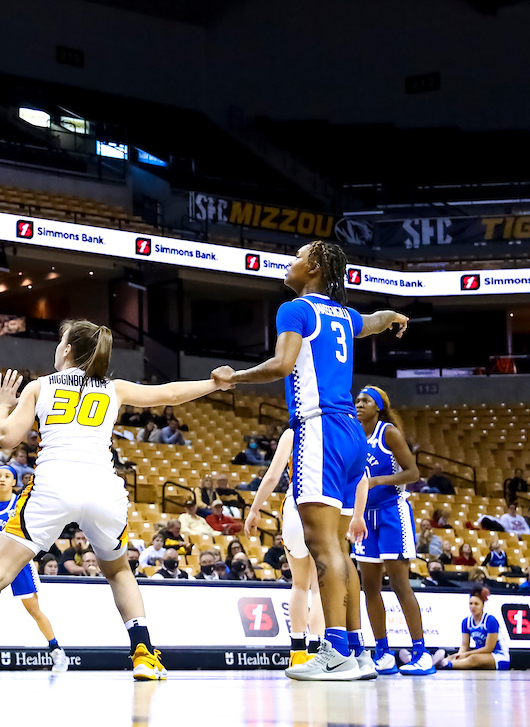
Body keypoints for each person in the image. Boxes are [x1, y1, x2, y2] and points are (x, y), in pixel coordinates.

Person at [0, 319, 233, 684]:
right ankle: (144, 654)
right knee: (119, 571)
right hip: (103, 488)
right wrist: (214, 382)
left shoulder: (40, 386)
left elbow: (6, 438)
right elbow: (169, 394)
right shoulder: (113, 387)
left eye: (61, 342)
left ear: (68, 350)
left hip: (54, 486)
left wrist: (1, 404)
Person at [214, 240, 408, 682]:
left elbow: (283, 365)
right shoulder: (343, 314)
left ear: (315, 266)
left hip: (319, 429)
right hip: (351, 435)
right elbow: (373, 322)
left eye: (297, 256)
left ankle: (334, 651)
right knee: (341, 550)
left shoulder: (295, 309)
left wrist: (234, 377)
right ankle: (357, 652)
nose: (289, 263)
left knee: (324, 550)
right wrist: (393, 317)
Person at [351, 385, 434, 676]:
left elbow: (413, 473)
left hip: (392, 513)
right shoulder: (354, 432)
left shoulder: (389, 433)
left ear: (379, 406)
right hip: (363, 516)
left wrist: (378, 481)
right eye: (357, 400)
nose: (358, 404)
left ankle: (421, 652)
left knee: (400, 584)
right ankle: (383, 652)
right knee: (369, 588)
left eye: (365, 401)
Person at [0, 466, 67, 674]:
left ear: (14, 482)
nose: (2, 479)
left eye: (7, 476)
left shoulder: (21, 504)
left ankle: (57, 651)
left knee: (33, 609)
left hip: (18, 562)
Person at [246, 427, 325, 666]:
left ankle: (297, 651)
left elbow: (271, 476)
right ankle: (316, 649)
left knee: (299, 585)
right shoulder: (333, 430)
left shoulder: (293, 433)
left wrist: (254, 509)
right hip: (322, 506)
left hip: (293, 507)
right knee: (318, 588)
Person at [438, 587, 511, 670]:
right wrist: (459, 654)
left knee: (473, 658)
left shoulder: (490, 620)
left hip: (499, 656)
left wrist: (466, 654)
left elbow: (488, 648)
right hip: (480, 655)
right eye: (470, 603)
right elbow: (465, 645)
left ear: (482, 605)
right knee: (455, 656)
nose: (473, 606)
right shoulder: (466, 622)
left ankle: (446, 664)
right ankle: (441, 663)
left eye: (476, 604)